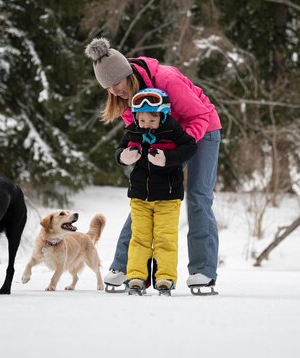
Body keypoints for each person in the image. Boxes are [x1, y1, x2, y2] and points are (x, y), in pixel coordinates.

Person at [85, 37, 222, 295]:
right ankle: (124, 267)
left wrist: (181, 151)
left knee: (198, 197)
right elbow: (133, 134)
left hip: (202, 132)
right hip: (165, 140)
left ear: (127, 74)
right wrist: (127, 153)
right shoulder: (125, 99)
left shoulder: (166, 79)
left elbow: (199, 115)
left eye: (116, 84)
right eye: (108, 88)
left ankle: (203, 270)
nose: (114, 91)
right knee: (145, 192)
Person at [117, 88, 196, 295]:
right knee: (139, 238)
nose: (146, 126)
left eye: (152, 121)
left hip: (168, 197)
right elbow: (120, 148)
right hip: (140, 196)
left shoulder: (172, 129)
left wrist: (167, 158)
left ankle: (165, 278)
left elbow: (190, 146)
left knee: (165, 239)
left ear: (163, 115)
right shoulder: (134, 129)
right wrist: (123, 156)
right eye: (142, 121)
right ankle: (136, 277)